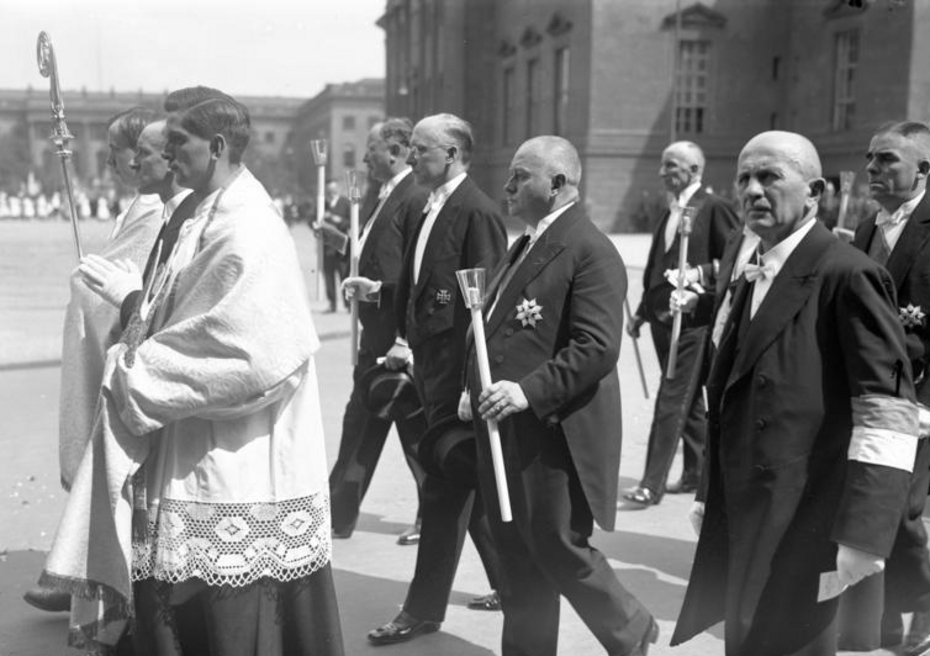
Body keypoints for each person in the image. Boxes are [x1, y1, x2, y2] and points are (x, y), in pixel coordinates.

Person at [40, 91, 344, 656]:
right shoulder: (198, 214)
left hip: (235, 457)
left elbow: (244, 353)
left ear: (219, 146)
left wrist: (134, 370)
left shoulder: (247, 229)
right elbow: (169, 312)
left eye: (178, 143)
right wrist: (132, 307)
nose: (163, 156)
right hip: (189, 441)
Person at [672, 130, 919, 656]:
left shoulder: (849, 273)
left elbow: (888, 410)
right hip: (745, 507)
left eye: (770, 176)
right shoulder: (754, 269)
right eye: (744, 178)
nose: (753, 190)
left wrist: (864, 533)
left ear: (815, 192)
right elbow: (730, 397)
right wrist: (707, 489)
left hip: (805, 516)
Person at [463, 135, 657, 656]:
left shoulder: (591, 249)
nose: (506, 186)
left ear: (557, 184)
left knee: (556, 543)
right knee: (516, 554)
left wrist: (525, 392)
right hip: (505, 426)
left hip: (552, 431)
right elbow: (495, 327)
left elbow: (596, 348)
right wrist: (472, 386)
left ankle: (631, 629)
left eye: (519, 176)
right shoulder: (526, 241)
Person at [364, 112, 507, 645]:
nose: (413, 156)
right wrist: (395, 323)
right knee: (458, 490)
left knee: (447, 489)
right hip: (431, 374)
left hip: (458, 385)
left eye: (422, 149)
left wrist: (473, 386)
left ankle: (423, 609)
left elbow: (484, 309)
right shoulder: (429, 206)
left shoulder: (476, 212)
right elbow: (425, 285)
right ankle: (514, 589)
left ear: (450, 154)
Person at [22, 107, 164, 614]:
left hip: (131, 354)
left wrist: (88, 284)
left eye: (118, 152)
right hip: (114, 351)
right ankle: (78, 573)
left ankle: (90, 581)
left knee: (113, 476)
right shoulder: (136, 205)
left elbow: (126, 280)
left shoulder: (156, 208)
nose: (106, 161)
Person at [838, 121, 930, 655]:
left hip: (920, 398)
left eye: (887, 160)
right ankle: (888, 610)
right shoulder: (870, 226)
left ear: (923, 169)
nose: (873, 169)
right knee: (876, 500)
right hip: (873, 392)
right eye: (871, 158)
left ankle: (920, 599)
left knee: (902, 509)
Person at [329, 118, 428, 544]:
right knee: (360, 428)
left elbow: (414, 275)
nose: (364, 157)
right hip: (375, 340)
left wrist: (404, 337)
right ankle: (336, 516)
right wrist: (342, 245)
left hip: (396, 343)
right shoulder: (383, 195)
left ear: (394, 152)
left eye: (371, 149)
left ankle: (434, 514)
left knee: (415, 437)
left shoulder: (415, 197)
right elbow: (375, 255)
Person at [625, 141, 738, 506]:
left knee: (672, 396)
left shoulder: (714, 207)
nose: (662, 173)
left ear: (694, 171)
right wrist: (642, 312)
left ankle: (650, 484)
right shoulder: (670, 210)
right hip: (661, 319)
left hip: (691, 321)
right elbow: (659, 265)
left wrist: (699, 277)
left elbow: (734, 259)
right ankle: (694, 474)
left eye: (671, 166)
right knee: (688, 402)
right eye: (662, 166)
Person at [317, 180, 351, 312]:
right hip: (327, 246)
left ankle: (348, 305)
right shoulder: (322, 204)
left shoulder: (345, 203)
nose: (331, 193)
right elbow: (311, 218)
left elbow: (352, 220)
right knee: (329, 276)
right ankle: (332, 304)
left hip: (341, 245)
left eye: (333, 190)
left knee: (344, 275)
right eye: (328, 190)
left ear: (338, 189)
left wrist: (339, 220)